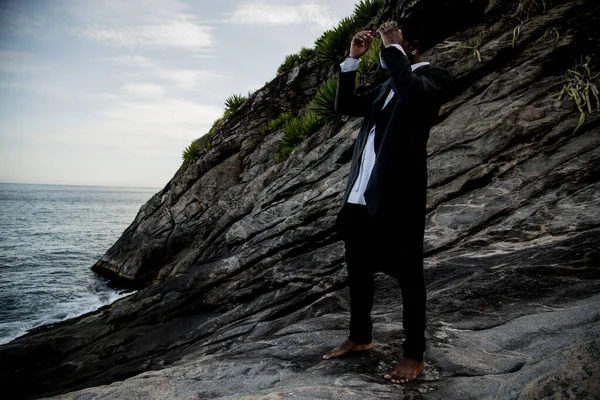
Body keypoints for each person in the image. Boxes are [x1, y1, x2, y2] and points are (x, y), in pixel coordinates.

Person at [322, 19, 452, 384]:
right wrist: (352, 60)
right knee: (358, 271)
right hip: (360, 197)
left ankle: (414, 355)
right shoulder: (385, 88)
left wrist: (394, 48)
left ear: (411, 46)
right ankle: (360, 336)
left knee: (408, 277)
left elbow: (412, 96)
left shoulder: (434, 79)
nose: (382, 49)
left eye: (389, 43)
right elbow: (345, 104)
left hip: (398, 200)